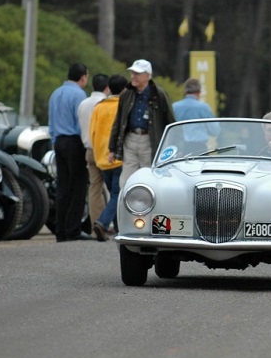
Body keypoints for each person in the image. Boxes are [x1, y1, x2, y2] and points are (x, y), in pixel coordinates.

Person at [108, 59, 176, 188]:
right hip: (130, 139)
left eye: (137, 73)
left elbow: (170, 121)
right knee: (125, 180)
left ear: (148, 76)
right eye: (132, 73)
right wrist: (112, 148)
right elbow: (118, 121)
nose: (133, 76)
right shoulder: (126, 94)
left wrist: (172, 147)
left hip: (150, 140)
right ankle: (126, 206)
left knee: (149, 176)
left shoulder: (159, 95)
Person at [48, 62, 91, 242]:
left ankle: (60, 231)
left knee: (63, 187)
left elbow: (50, 121)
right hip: (74, 141)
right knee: (78, 187)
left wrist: (54, 141)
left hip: (58, 141)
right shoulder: (79, 94)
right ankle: (73, 229)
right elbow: (81, 120)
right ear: (83, 77)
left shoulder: (55, 93)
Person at [90, 74, 127, 242]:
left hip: (102, 159)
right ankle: (103, 223)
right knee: (117, 194)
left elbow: (93, 132)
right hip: (120, 158)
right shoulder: (124, 106)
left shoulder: (99, 107)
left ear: (109, 88)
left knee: (113, 194)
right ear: (124, 89)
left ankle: (119, 229)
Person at [78, 73, 108, 230]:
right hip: (104, 150)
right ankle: (108, 222)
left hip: (89, 149)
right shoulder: (105, 103)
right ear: (107, 87)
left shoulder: (83, 104)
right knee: (113, 187)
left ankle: (96, 223)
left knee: (94, 188)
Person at [172, 77, 220, 154]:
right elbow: (215, 131)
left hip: (178, 148)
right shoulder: (203, 107)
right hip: (199, 148)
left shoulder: (175, 107)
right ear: (199, 92)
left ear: (185, 91)